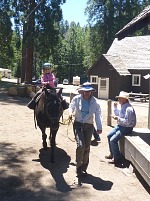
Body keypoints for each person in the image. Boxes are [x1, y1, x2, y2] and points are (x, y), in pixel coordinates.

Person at [69, 82, 102, 177]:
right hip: (78, 124)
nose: (87, 93)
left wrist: (99, 127)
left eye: (89, 92)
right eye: (85, 91)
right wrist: (70, 113)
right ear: (82, 91)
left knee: (87, 147)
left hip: (89, 125)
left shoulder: (95, 102)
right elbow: (71, 106)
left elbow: (98, 115)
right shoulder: (77, 98)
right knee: (80, 146)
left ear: (91, 92)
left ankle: (84, 167)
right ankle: (78, 167)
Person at [105, 91, 136, 167]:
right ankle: (113, 154)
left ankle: (117, 158)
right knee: (109, 136)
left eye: (120, 98)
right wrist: (115, 108)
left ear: (125, 99)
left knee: (113, 140)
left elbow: (128, 122)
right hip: (121, 126)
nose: (119, 99)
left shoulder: (129, 109)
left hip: (126, 128)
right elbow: (118, 114)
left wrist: (118, 119)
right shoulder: (123, 106)